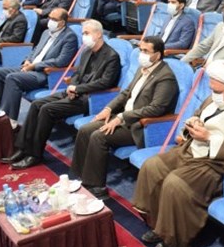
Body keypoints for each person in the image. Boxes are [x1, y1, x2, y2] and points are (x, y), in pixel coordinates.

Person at [133, 59, 224, 247]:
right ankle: (158, 226)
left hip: (218, 163)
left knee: (176, 184)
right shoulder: (215, 98)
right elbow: (198, 115)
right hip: (194, 149)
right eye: (212, 89)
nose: (214, 95)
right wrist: (193, 123)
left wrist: (209, 137)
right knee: (152, 166)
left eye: (218, 91)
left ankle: (175, 240)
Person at [2, 20, 121, 169]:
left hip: (90, 98)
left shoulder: (111, 56)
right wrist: (72, 87)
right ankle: (23, 148)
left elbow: (105, 83)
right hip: (74, 92)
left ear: (98, 34)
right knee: (37, 104)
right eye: (83, 33)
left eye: (86, 33)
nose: (84, 37)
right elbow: (77, 74)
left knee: (47, 109)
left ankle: (35, 155)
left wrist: (78, 89)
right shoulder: (86, 51)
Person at [72, 36, 179, 198]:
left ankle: (96, 187)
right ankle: (77, 177)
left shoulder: (166, 77)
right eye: (140, 50)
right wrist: (109, 108)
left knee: (99, 136)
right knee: (86, 130)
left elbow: (156, 109)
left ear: (157, 55)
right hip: (123, 117)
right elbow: (126, 93)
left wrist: (121, 117)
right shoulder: (143, 68)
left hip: (139, 126)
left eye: (146, 51)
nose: (141, 54)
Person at [0, 8, 78, 122]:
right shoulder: (46, 32)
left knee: (12, 78)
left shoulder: (69, 37)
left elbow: (61, 61)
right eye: (49, 18)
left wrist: (35, 66)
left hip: (45, 73)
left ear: (62, 22)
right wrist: (28, 60)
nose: (50, 21)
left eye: (54, 19)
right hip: (31, 67)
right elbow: (35, 50)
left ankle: (8, 120)